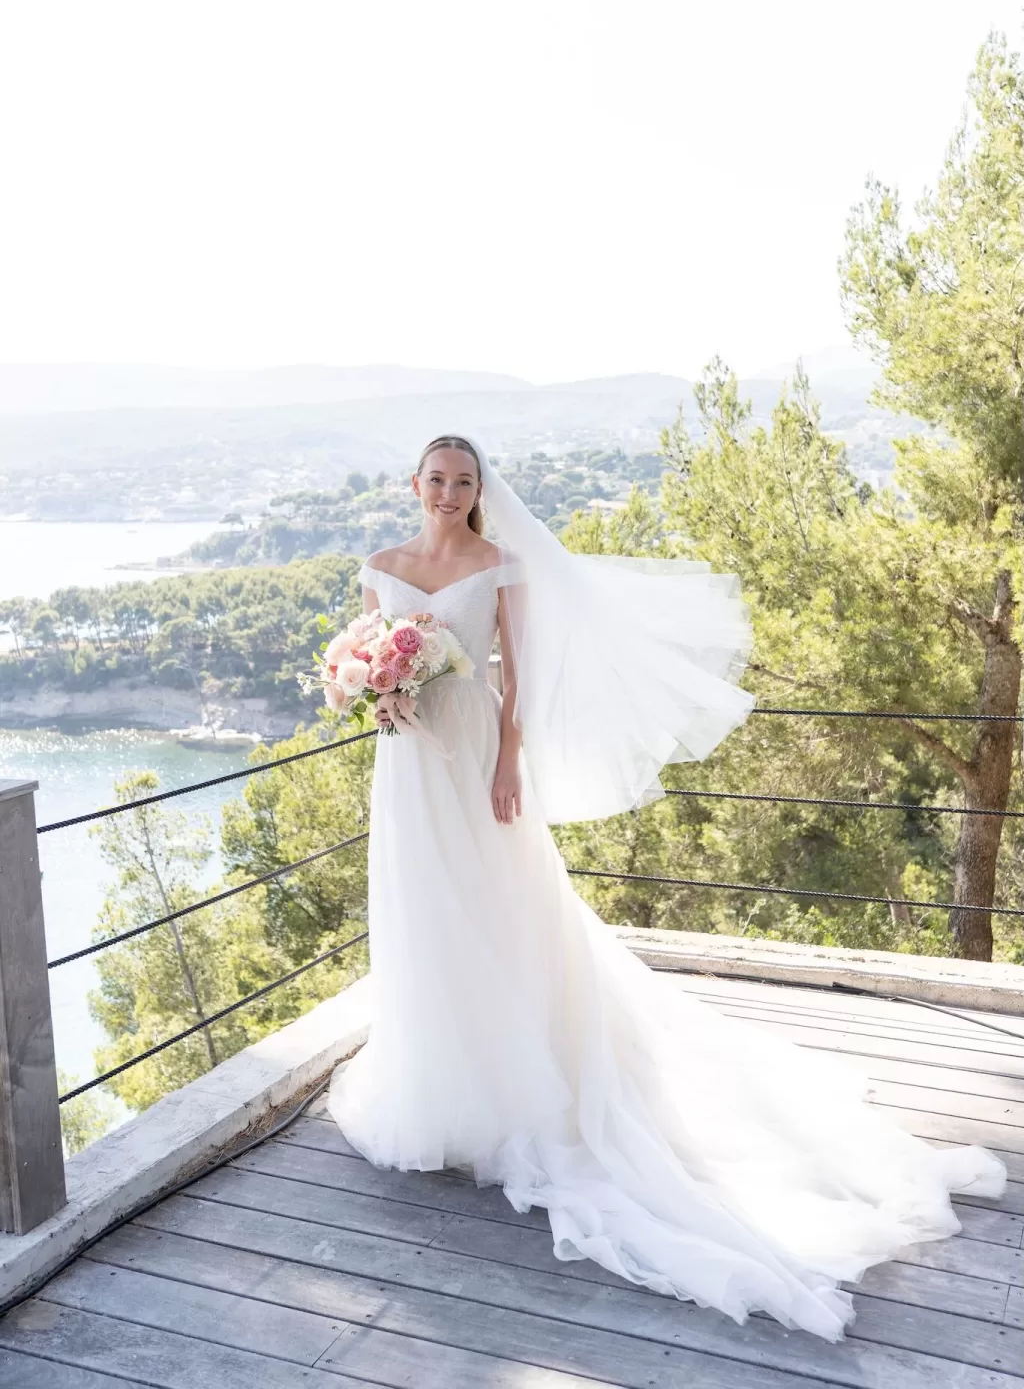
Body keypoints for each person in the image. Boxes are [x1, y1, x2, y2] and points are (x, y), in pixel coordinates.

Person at [327, 431, 1006, 1342]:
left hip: (477, 752)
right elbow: (367, 658)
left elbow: (517, 680)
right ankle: (442, 1072)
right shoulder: (381, 565)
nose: (448, 492)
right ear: (413, 484)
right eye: (436, 480)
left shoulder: (500, 565)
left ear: (479, 489)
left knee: (499, 906)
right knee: (425, 911)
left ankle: (519, 1072)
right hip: (407, 764)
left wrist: (508, 767)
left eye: (463, 481)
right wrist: (378, 694)